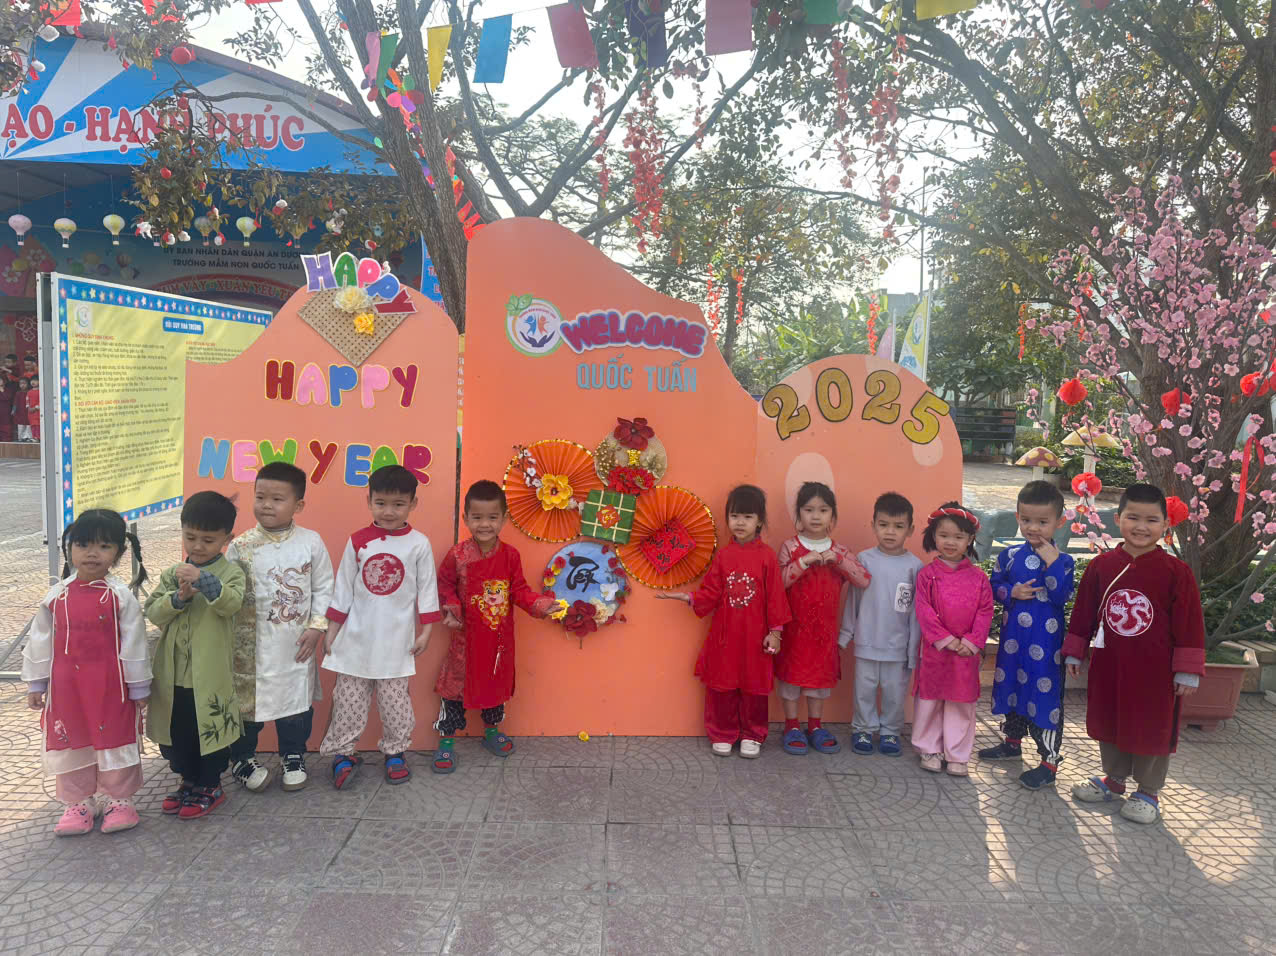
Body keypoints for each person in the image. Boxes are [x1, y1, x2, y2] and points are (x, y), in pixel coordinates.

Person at [1065, 483, 1204, 824]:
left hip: (1156, 672)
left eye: (1151, 520)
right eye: (1133, 518)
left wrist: (1186, 670)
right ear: (1117, 519)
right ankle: (1113, 779)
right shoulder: (1101, 566)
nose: (1141, 527)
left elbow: (1189, 622)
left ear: (1165, 525)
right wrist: (1075, 651)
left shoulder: (1177, 573)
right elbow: (1084, 611)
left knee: (1151, 726)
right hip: (1110, 664)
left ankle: (1148, 791)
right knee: (1110, 718)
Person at [21, 510, 150, 836]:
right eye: (83, 545)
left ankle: (119, 801)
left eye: (104, 546)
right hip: (67, 690)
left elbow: (135, 643)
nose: (92, 553)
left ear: (119, 553)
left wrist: (138, 687)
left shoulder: (119, 597)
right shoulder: (56, 596)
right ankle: (78, 803)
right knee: (72, 740)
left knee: (113, 739)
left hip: (111, 688)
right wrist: (37, 683)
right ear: (69, 548)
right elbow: (40, 642)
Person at [319, 464, 440, 788]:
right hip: (354, 641)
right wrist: (332, 631)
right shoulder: (358, 541)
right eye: (381, 503)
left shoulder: (419, 544)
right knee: (348, 701)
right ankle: (344, 754)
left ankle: (395, 753)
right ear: (369, 500)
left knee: (395, 704)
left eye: (398, 504)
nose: (388, 511)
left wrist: (426, 631)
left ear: (413, 504)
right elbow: (343, 588)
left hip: (397, 644)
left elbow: (427, 589)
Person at [431, 480, 558, 773]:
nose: (484, 524)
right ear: (466, 518)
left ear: (503, 519)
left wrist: (541, 604)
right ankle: (446, 741)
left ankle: (492, 731)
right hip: (466, 639)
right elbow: (444, 584)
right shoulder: (457, 555)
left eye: (492, 517)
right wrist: (452, 608)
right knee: (454, 688)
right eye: (477, 517)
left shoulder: (510, 556)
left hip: (498, 639)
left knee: (495, 685)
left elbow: (519, 591)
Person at [657, 484, 791, 757]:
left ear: (760, 521)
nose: (740, 522)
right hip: (725, 636)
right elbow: (711, 592)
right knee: (722, 684)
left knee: (755, 687)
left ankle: (753, 733)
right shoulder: (724, 556)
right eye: (734, 516)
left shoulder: (767, 556)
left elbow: (776, 597)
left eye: (747, 516)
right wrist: (688, 597)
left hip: (756, 637)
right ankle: (722, 732)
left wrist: (775, 632)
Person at [226, 461, 335, 793]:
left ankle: (293, 755)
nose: (266, 505)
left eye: (277, 499)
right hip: (250, 648)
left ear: (298, 505)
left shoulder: (311, 542)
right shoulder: (240, 546)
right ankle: (242, 759)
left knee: (295, 705)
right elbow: (229, 594)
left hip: (295, 643)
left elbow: (324, 587)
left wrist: (317, 627)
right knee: (248, 707)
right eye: (260, 497)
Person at [145, 491, 246, 819]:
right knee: (178, 732)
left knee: (210, 730)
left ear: (227, 539)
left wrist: (205, 581)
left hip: (210, 674)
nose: (198, 546)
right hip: (174, 675)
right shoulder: (173, 573)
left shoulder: (231, 573)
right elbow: (153, 612)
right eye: (190, 537)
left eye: (208, 539)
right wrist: (178, 598)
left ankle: (210, 784)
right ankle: (188, 780)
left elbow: (231, 603)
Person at [979, 480, 1075, 789]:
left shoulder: (1064, 561)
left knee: (1043, 696)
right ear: (1018, 517)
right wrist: (1011, 591)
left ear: (1059, 522)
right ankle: (1012, 742)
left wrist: (1053, 564)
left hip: (1046, 649)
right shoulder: (1008, 556)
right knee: (1011, 687)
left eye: (1042, 522)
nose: (1033, 528)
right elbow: (993, 586)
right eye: (1026, 520)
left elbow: (1061, 596)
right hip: (1012, 644)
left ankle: (1049, 762)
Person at [774, 481, 872, 755]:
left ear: (833, 515)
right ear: (798, 514)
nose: (816, 516)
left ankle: (815, 726)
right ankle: (792, 726)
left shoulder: (839, 551)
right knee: (791, 678)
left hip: (824, 634)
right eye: (808, 510)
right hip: (793, 632)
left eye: (823, 510)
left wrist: (838, 561)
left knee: (818, 681)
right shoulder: (790, 547)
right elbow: (777, 584)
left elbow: (863, 580)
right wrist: (802, 562)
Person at [912, 502, 994, 776]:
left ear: (970, 539)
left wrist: (971, 642)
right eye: (944, 535)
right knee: (930, 700)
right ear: (933, 536)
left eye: (958, 536)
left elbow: (985, 611)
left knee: (961, 702)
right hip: (936, 650)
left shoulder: (979, 578)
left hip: (965, 653)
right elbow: (923, 610)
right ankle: (929, 748)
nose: (950, 542)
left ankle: (957, 754)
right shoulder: (927, 575)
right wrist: (945, 639)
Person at [839, 492, 922, 757]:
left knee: (894, 693)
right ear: (873, 525)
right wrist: (845, 635)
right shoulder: (864, 560)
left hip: (898, 647)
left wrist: (913, 650)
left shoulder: (915, 567)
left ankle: (890, 732)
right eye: (884, 524)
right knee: (863, 691)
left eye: (898, 526)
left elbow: (916, 614)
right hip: (866, 641)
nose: (890, 532)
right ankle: (862, 729)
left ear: (910, 529)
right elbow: (853, 600)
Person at [0, 353, 17, 442]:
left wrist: (1, 389)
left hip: (6, 413)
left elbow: (8, 397)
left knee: (6, 433)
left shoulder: (9, 388)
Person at [13, 376, 30, 441]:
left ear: (28, 384)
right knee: (21, 425)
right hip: (20, 412)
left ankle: (28, 438)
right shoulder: (18, 393)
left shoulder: (30, 392)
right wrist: (13, 410)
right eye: (20, 383)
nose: (22, 385)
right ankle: (21, 438)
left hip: (28, 412)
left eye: (24, 383)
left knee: (28, 425)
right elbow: (15, 403)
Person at [25, 373, 39, 442]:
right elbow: (27, 400)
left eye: (35, 380)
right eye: (32, 380)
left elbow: (41, 401)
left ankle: (38, 437)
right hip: (30, 412)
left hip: (37, 411)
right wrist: (28, 408)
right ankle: (34, 437)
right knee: (32, 425)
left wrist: (35, 408)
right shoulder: (29, 392)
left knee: (37, 424)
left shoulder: (41, 391)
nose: (33, 382)